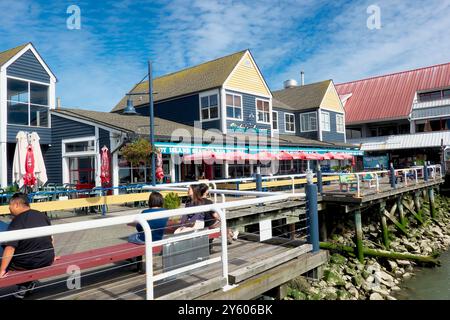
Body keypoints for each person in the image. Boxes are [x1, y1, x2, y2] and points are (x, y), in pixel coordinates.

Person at [0, 193, 55, 299]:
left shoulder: (17, 221)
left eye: (9, 206)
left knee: (3, 251)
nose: (9, 209)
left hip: (28, 263)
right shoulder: (42, 215)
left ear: (16, 204)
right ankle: (26, 285)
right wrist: (52, 255)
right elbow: (51, 238)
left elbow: (10, 248)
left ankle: (25, 285)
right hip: (47, 259)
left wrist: (2, 270)